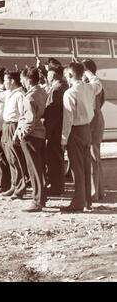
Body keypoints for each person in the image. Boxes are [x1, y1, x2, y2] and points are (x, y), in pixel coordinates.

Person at [60, 62, 103, 212]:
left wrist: (63, 139)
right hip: (87, 130)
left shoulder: (70, 93)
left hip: (75, 131)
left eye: (66, 75)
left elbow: (68, 119)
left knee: (76, 169)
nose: (65, 77)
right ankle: (87, 201)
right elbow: (98, 82)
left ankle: (78, 202)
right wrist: (87, 71)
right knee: (86, 166)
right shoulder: (88, 87)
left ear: (71, 75)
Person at [0, 70, 27, 199]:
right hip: (6, 126)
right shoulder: (9, 93)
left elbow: (22, 115)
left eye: (6, 80)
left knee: (16, 158)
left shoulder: (20, 95)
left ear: (12, 81)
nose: (4, 83)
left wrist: (17, 132)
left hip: (14, 126)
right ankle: (14, 185)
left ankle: (20, 188)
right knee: (10, 158)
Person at [15, 67, 48, 212]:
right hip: (40, 135)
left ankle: (37, 201)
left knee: (33, 169)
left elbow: (29, 120)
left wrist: (22, 133)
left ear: (28, 80)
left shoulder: (29, 97)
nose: (21, 81)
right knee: (39, 168)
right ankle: (42, 197)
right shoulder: (41, 92)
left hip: (31, 136)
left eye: (22, 79)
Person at [83, 59, 105, 201]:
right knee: (96, 156)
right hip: (97, 118)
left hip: (92, 120)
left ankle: (93, 193)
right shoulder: (97, 86)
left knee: (91, 157)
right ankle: (99, 191)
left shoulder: (90, 86)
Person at [44, 64, 68, 197]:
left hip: (55, 130)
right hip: (59, 128)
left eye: (48, 73)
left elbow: (53, 112)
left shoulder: (56, 89)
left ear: (53, 75)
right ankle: (57, 186)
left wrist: (47, 131)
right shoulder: (61, 87)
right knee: (57, 158)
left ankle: (56, 187)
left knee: (54, 158)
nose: (47, 76)